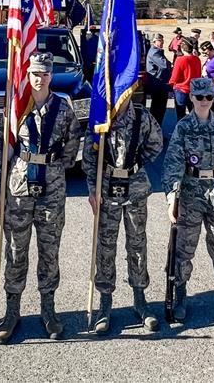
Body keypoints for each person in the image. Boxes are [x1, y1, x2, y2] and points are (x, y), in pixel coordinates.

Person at [0, 51, 81, 343]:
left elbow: (72, 145)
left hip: (51, 190)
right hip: (18, 188)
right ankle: (11, 311)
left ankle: (48, 310)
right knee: (16, 251)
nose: (38, 78)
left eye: (44, 73)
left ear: (51, 76)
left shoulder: (64, 109)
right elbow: (3, 151)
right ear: (27, 75)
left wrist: (53, 167)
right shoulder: (18, 107)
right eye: (34, 73)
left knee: (49, 251)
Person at [161, 78, 214, 325]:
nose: (205, 102)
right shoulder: (184, 127)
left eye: (209, 97)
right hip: (190, 192)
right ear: (191, 99)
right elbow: (173, 163)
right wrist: (171, 199)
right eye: (200, 97)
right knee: (185, 246)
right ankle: (180, 298)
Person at [82, 97, 163, 334]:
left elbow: (155, 144)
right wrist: (92, 188)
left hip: (135, 188)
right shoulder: (101, 115)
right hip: (106, 187)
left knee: (137, 244)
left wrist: (134, 164)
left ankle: (140, 300)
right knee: (105, 246)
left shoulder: (141, 116)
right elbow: (89, 156)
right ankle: (105, 303)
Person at [168, 37, 202, 121]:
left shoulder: (180, 60)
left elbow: (175, 77)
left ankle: (182, 132)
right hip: (194, 90)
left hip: (181, 89)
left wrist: (170, 85)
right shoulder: (197, 59)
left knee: (181, 115)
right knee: (194, 114)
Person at [146, 33, 172, 127]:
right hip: (158, 84)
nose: (162, 42)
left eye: (162, 40)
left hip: (160, 84)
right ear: (154, 41)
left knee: (159, 110)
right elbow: (165, 65)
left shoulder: (158, 51)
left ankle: (156, 128)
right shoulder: (155, 52)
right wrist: (170, 64)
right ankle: (155, 129)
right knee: (158, 110)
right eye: (159, 40)